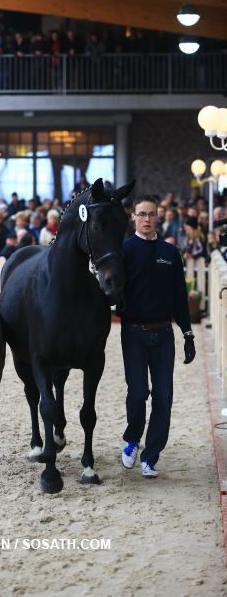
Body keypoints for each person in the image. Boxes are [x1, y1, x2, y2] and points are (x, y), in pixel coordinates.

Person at [118, 195, 195, 479]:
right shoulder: (124, 250)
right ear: (133, 217)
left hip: (164, 335)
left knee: (163, 397)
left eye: (152, 214)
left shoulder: (170, 252)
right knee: (138, 393)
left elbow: (179, 296)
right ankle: (132, 439)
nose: (147, 219)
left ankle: (151, 456)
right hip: (133, 334)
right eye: (142, 214)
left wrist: (187, 333)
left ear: (158, 217)